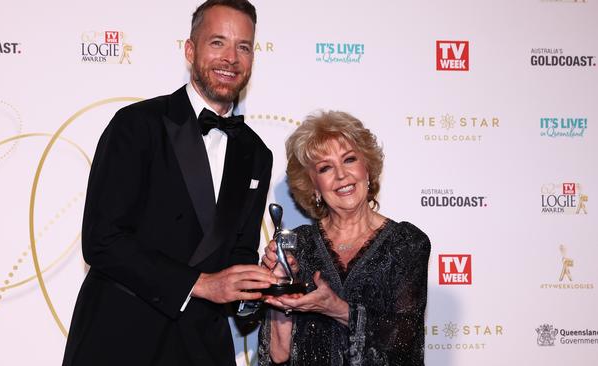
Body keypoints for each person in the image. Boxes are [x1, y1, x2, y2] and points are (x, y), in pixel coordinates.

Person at [62, 1, 276, 365]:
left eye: (243, 46)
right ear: (190, 50)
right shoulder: (137, 125)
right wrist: (201, 284)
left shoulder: (256, 153)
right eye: (217, 42)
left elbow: (238, 254)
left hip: (201, 346)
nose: (231, 58)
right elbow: (102, 240)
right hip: (120, 337)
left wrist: (257, 284)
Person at [258, 111, 431, 366]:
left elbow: (405, 341)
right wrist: (280, 286)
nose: (341, 175)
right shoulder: (298, 245)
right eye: (325, 167)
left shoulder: (407, 243)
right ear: (314, 186)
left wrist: (337, 308)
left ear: (367, 168)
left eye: (349, 160)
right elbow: (279, 353)